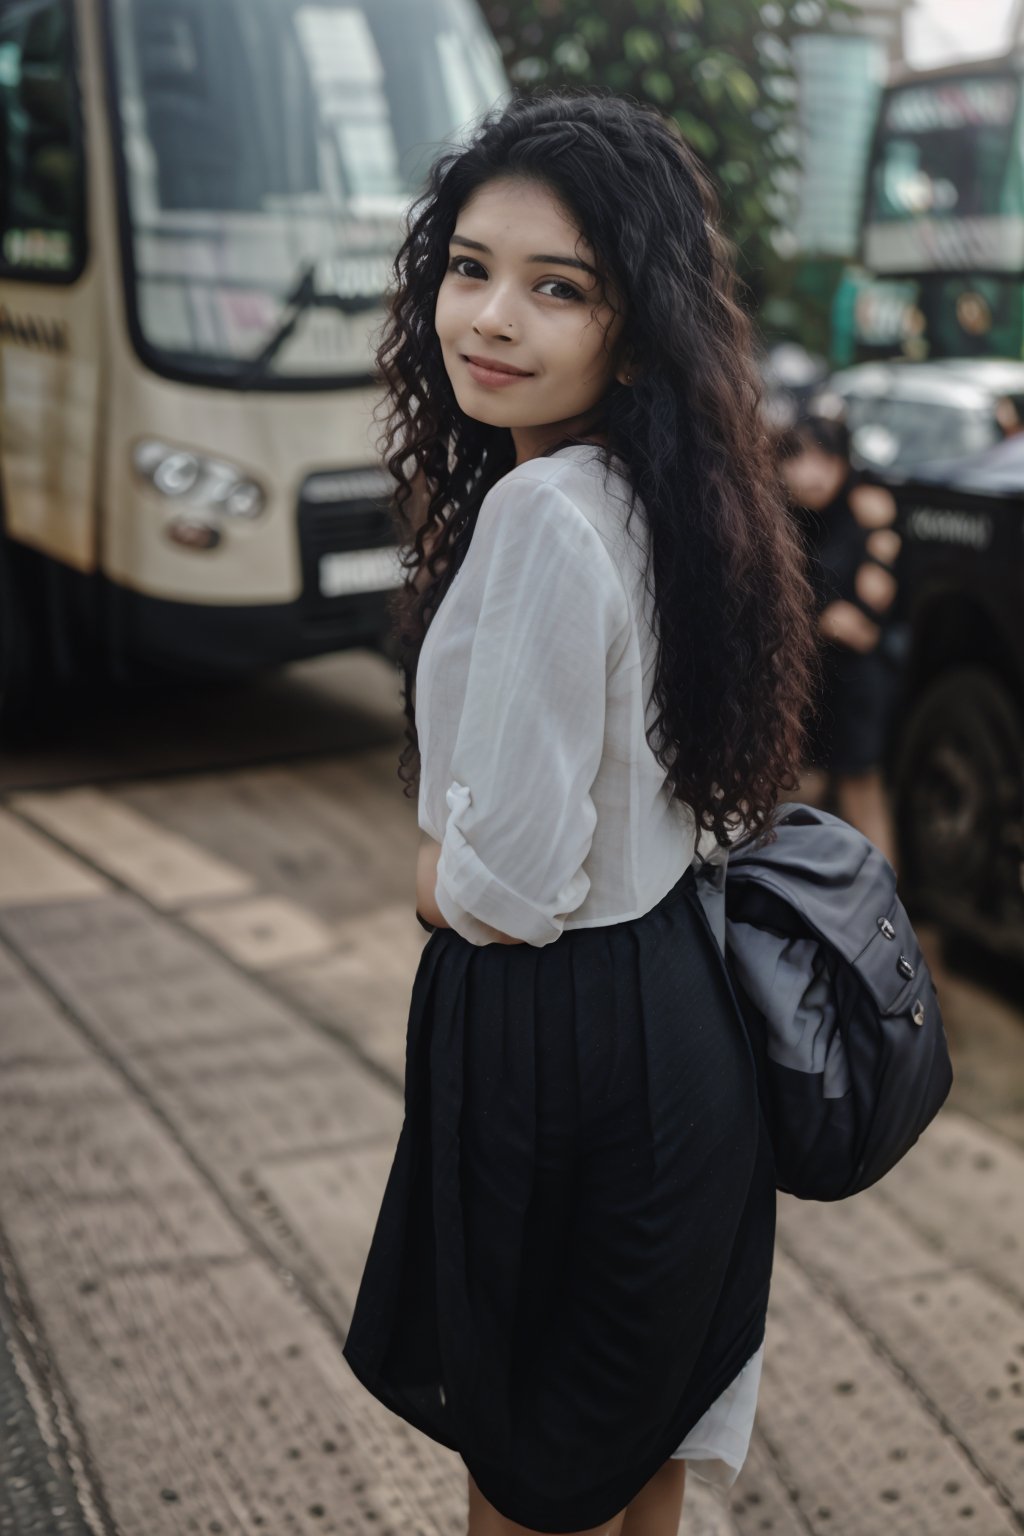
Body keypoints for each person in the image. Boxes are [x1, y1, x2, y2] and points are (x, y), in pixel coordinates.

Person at [342, 91, 817, 1536]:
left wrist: (428, 876)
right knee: (644, 1477)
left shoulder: (545, 513)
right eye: (470, 269)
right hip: (683, 1034)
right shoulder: (669, 493)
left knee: (529, 1486)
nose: (490, 318)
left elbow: (509, 884)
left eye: (560, 288)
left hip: (564, 1056)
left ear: (635, 321)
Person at [777, 408, 902, 867]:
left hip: (855, 682)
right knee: (802, 797)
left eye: (825, 460)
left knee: (861, 792)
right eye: (798, 459)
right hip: (800, 683)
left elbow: (868, 623)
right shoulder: (775, 521)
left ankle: (886, 916)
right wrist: (821, 621)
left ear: (844, 464)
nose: (811, 473)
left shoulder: (866, 514)